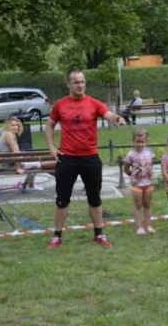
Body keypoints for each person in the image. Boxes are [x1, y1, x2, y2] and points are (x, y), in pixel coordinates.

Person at [45, 69, 126, 249]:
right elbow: (49, 125)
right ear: (68, 84)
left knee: (95, 198)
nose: (80, 85)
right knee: (62, 199)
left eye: (83, 82)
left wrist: (117, 118)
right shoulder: (60, 105)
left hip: (90, 158)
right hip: (67, 159)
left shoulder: (94, 103)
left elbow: (108, 114)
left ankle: (99, 234)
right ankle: (57, 236)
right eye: (76, 82)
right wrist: (52, 148)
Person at [0, 116, 55, 192]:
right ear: (8, 126)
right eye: (12, 125)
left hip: (11, 162)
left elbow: (16, 152)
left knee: (35, 163)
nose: (15, 127)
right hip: (10, 165)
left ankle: (26, 186)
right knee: (39, 165)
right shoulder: (8, 134)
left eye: (16, 125)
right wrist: (18, 167)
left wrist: (25, 157)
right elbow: (14, 153)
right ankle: (30, 185)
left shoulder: (10, 134)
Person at [123, 128, 156, 235]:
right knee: (138, 205)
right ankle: (139, 227)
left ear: (146, 141)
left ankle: (148, 226)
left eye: (142, 142)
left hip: (148, 183)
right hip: (137, 184)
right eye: (138, 141)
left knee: (147, 205)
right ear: (133, 141)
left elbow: (151, 166)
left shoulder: (150, 153)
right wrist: (133, 177)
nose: (140, 144)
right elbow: (126, 169)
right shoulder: (130, 154)